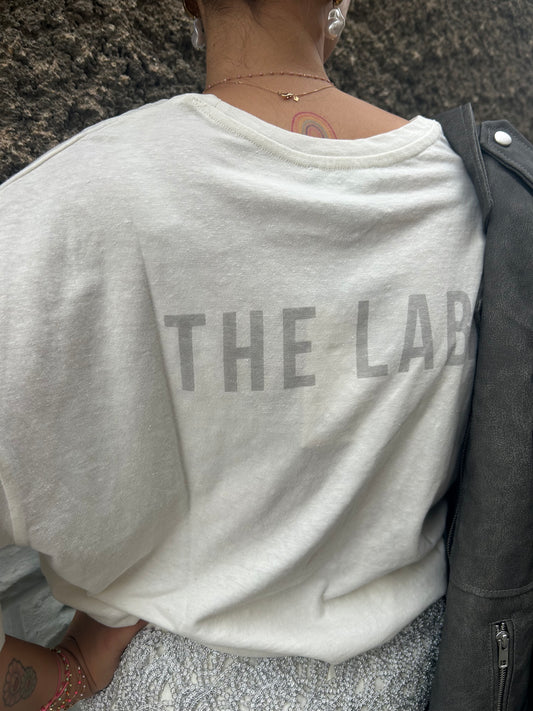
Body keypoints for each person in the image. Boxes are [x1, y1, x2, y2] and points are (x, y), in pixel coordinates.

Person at [0, 0, 486, 709]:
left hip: (168, 682)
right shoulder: (464, 194)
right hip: (432, 677)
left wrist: (64, 673)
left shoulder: (46, 218)